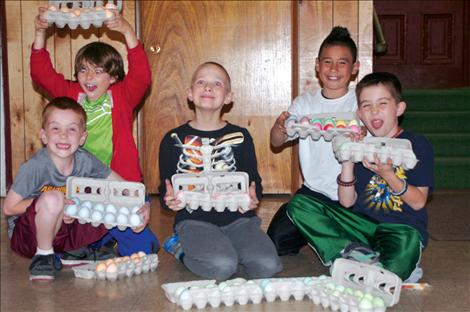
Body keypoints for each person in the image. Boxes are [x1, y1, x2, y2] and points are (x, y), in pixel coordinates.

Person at [30, 8, 159, 258]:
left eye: (98, 71)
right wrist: (39, 32)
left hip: (119, 183)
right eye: (83, 70)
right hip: (81, 186)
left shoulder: (122, 96)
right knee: (65, 246)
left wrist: (127, 32)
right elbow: (40, 73)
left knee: (140, 250)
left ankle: (113, 238)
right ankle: (99, 240)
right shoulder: (69, 94)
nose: (89, 77)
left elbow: (142, 76)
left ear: (112, 77)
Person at [288, 72, 434, 282]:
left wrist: (387, 174)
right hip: (362, 227)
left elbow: (419, 202)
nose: (374, 111)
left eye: (382, 104)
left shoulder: (416, 144)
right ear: (359, 113)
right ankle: (352, 252)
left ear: (399, 108)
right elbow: (347, 202)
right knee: (300, 204)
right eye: (366, 106)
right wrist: (347, 159)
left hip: (400, 229)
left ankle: (378, 266)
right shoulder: (362, 143)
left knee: (405, 247)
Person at [3, 97, 151, 281]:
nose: (64, 135)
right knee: (54, 198)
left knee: (98, 202)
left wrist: (141, 204)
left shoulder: (85, 160)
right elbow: (9, 208)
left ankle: (74, 251)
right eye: (55, 128)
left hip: (64, 229)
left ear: (82, 137)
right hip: (28, 235)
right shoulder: (35, 167)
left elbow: (122, 187)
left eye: (71, 129)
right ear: (43, 135)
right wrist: (48, 202)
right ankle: (44, 256)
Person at [159, 62, 282, 280]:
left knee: (268, 265)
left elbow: (253, 180)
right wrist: (167, 199)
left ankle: (225, 246)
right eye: (201, 82)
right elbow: (165, 187)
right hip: (194, 218)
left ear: (228, 97)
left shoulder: (241, 136)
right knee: (223, 266)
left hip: (239, 218)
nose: (208, 87)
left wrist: (254, 197)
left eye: (217, 83)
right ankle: (181, 248)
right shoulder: (172, 139)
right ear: (189, 93)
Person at [267, 26, 360, 256]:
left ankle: (330, 236)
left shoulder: (361, 102)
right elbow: (276, 142)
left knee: (367, 230)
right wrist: (280, 127)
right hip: (313, 194)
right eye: (327, 62)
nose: (334, 69)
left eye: (342, 62)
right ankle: (323, 233)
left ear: (355, 68)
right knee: (276, 242)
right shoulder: (305, 103)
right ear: (317, 66)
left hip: (351, 195)